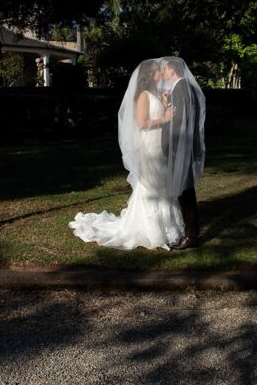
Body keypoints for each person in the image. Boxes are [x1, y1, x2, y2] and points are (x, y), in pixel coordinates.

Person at [69, 57, 205, 250]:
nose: (161, 73)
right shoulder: (142, 95)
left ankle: (170, 225)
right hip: (150, 146)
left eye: (162, 69)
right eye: (158, 71)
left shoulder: (158, 93)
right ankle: (151, 228)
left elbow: (170, 115)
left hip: (162, 145)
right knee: (151, 186)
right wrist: (164, 119)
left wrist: (165, 105)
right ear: (151, 75)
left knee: (165, 185)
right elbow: (142, 123)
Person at [158, 56, 206, 248]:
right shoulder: (182, 88)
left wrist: (173, 147)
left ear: (172, 70)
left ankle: (192, 236)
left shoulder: (181, 88)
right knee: (183, 191)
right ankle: (190, 233)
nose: (163, 73)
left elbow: (180, 122)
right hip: (181, 147)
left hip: (180, 148)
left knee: (185, 192)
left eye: (165, 69)